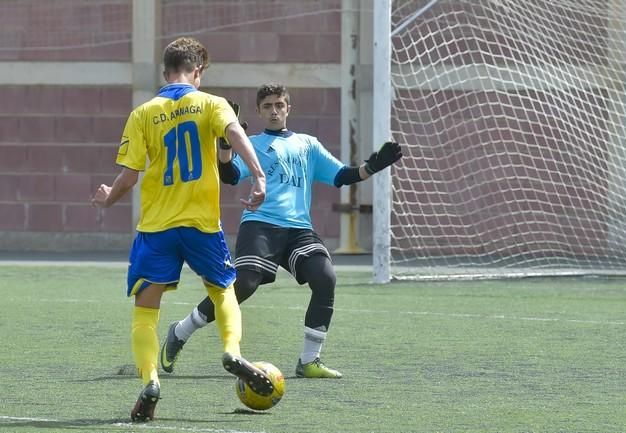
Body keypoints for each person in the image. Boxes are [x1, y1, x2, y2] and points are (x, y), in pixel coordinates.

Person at [159, 83, 402, 379]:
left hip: (299, 229)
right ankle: (181, 330)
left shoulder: (308, 144)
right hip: (260, 224)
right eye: (267, 106)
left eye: (279, 105)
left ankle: (309, 361)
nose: (274, 111)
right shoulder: (254, 143)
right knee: (245, 284)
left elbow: (342, 176)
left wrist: (373, 165)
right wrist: (225, 146)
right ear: (259, 111)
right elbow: (230, 175)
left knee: (325, 278)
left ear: (288, 108)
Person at [91, 37, 272, 423]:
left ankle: (152, 381)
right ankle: (231, 350)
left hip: (156, 228)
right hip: (201, 225)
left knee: (145, 312)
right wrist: (257, 175)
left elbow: (128, 177)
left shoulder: (143, 113)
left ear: (164, 71)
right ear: (198, 71)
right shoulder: (211, 103)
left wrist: (107, 199)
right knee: (223, 290)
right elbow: (236, 135)